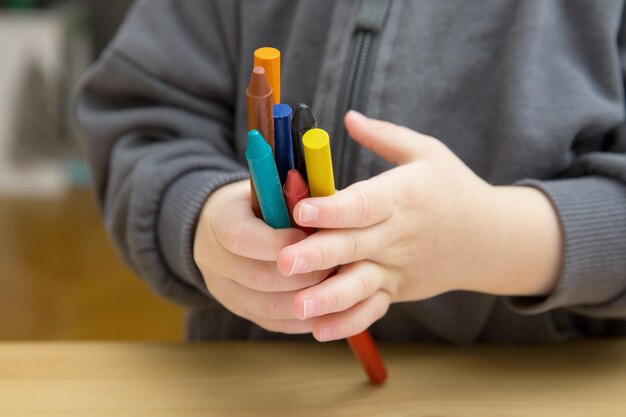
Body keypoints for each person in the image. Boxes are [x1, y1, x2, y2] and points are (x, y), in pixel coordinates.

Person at [77, 0, 626, 343]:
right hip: (254, 389)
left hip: (530, 389)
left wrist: (494, 238)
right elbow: (143, 124)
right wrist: (200, 216)